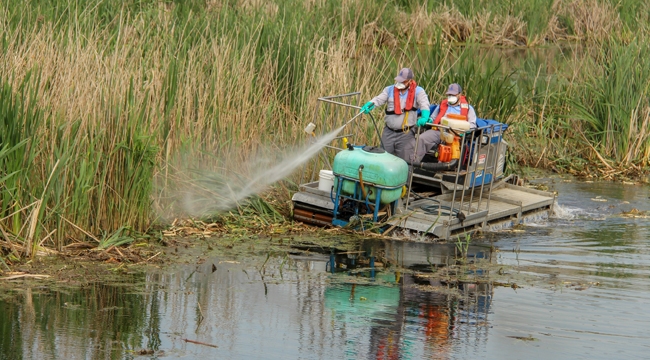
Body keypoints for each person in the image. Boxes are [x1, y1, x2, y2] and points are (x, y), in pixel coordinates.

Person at [360, 68, 430, 162]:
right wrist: (370, 104)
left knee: (404, 161)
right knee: (382, 158)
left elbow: (424, 104)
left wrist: (425, 116)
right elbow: (378, 99)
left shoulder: (419, 91)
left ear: (410, 81)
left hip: (406, 133)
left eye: (403, 81)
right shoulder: (389, 89)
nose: (400, 83)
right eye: (399, 80)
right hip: (388, 132)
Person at [412, 83, 477, 163]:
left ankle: (444, 168)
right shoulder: (442, 105)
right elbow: (433, 118)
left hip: (456, 135)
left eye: (453, 95)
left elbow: (472, 125)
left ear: (460, 94)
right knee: (422, 138)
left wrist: (464, 131)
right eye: (449, 94)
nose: (450, 97)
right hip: (440, 131)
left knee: (450, 146)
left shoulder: (468, 109)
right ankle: (414, 163)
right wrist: (429, 120)